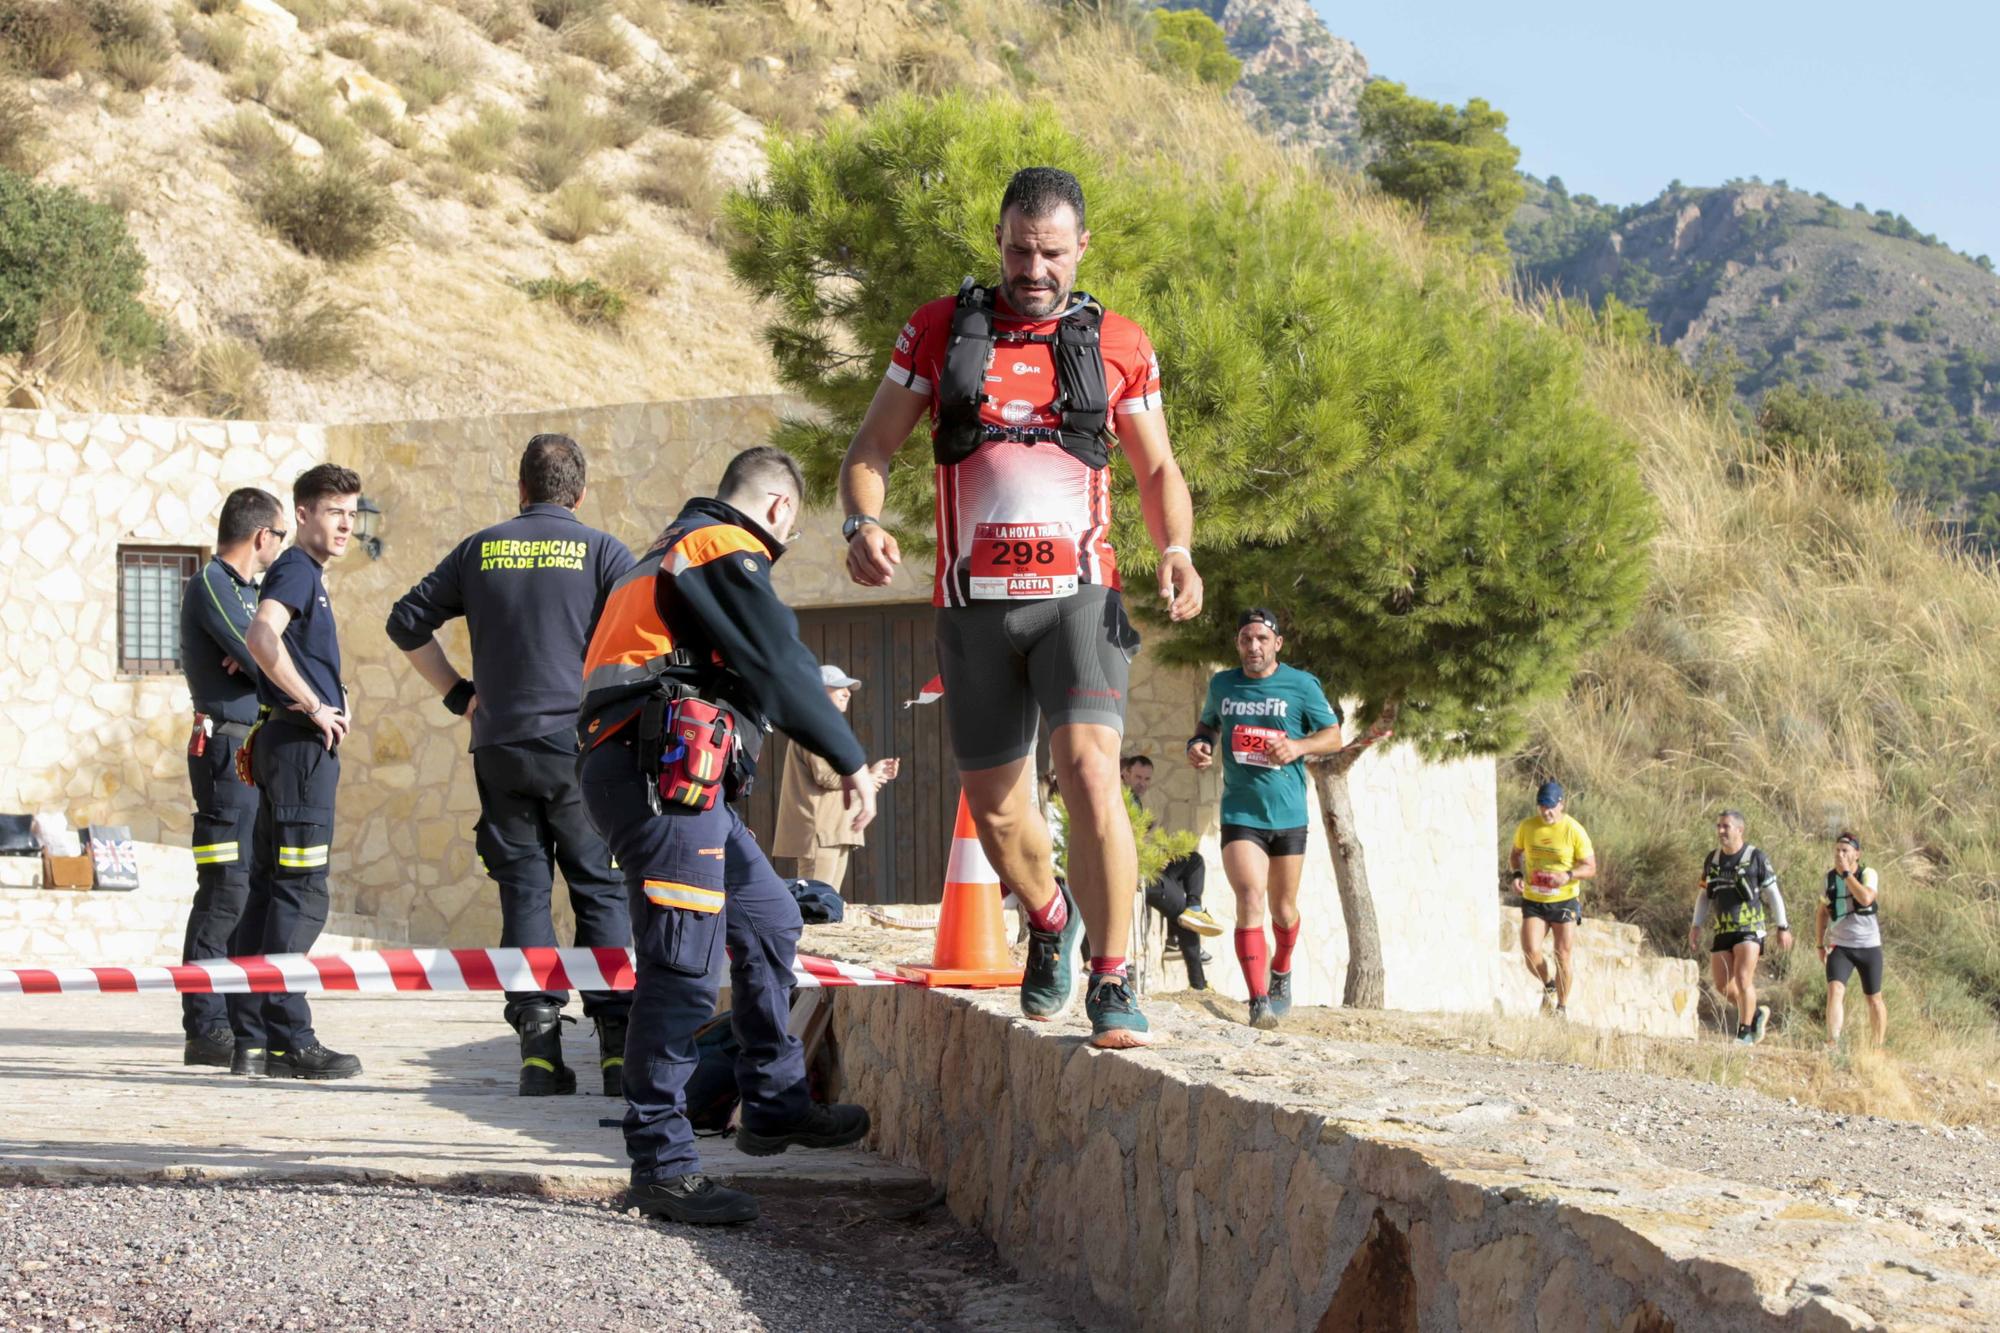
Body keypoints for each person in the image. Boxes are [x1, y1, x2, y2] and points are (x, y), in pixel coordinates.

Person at [839, 166, 1203, 1048]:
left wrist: (1176, 548)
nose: (1032, 268)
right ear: (997, 241)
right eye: (1017, 250)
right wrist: (862, 521)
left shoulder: (1119, 342)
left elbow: (1155, 469)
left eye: (1050, 252)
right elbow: (871, 446)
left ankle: (1114, 976)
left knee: (1087, 771)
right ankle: (1049, 919)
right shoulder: (937, 329)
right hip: (973, 609)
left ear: (1082, 247)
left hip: (1082, 599)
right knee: (999, 809)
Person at [577, 446, 876, 1226]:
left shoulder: (669, 551)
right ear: (778, 509)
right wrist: (850, 759)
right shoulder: (717, 547)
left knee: (771, 917)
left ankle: (774, 1102)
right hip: (659, 774)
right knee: (682, 965)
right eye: (791, 533)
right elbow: (781, 662)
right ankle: (663, 1165)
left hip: (674, 773)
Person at [384, 435, 637, 1098]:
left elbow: (406, 620)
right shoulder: (604, 551)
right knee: (600, 889)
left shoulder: (480, 548)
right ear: (578, 494)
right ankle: (617, 1052)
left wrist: (458, 693)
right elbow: (647, 635)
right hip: (581, 745)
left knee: (523, 892)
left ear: (521, 489)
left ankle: (539, 1053)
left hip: (499, 747)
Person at [230, 465, 366, 1081]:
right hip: (298, 753)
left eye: (352, 513)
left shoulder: (307, 576)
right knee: (301, 895)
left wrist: (324, 691)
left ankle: (252, 1037)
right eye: (334, 511)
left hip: (286, 751)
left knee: (267, 893)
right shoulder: (295, 570)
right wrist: (313, 704)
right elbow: (262, 636)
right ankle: (292, 1041)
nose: (346, 524)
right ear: (302, 514)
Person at [1187, 609, 1344, 1029]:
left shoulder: (1301, 684)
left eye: (1260, 638)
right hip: (1241, 811)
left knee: (1284, 909)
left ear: (1277, 643)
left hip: (1289, 813)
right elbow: (1208, 724)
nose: (1252, 647)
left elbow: (1334, 737)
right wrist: (1200, 744)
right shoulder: (1223, 684)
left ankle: (1281, 971)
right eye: (1244, 639)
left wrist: (1298, 746)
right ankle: (1258, 1001)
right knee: (1250, 898)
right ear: (1237, 644)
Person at [176, 487, 288, 1068]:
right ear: (261, 536)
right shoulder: (213, 585)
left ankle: (242, 1018)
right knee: (225, 891)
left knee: (250, 893)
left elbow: (269, 653)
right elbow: (261, 655)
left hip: (253, 753)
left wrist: (259, 658)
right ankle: (206, 1027)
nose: (280, 546)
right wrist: (256, 659)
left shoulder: (252, 595)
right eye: (281, 536)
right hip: (224, 755)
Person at [772, 665, 900, 893]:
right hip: (822, 834)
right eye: (839, 687)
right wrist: (868, 778)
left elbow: (838, 781)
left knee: (825, 905)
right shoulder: (813, 727)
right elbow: (828, 778)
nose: (847, 693)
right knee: (815, 906)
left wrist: (872, 777)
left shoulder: (822, 727)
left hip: (835, 831)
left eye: (849, 689)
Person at [1688, 809, 1793, 1045]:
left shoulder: (1756, 857)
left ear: (1739, 830)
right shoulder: (1712, 859)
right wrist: (1696, 925)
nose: (1721, 831)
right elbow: (1704, 895)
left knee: (1743, 978)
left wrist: (1782, 926)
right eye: (1719, 826)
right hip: (1722, 929)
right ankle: (1754, 1013)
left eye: (1726, 826)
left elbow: (1773, 893)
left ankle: (1744, 1032)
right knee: (1723, 985)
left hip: (1750, 927)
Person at [1121, 755, 1218, 991]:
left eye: (1147, 779)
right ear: (1125, 774)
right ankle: (1198, 984)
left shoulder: (1134, 799)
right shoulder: (1121, 799)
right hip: (1140, 876)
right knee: (1184, 915)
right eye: (1138, 777)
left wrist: (1158, 854)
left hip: (1149, 866)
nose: (1142, 783)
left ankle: (1191, 913)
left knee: (1192, 861)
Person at [1508, 780, 1597, 1019]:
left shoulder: (1574, 830)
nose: (1545, 812)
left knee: (1563, 953)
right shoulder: (1528, 827)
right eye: (1541, 806)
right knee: (1530, 951)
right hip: (1534, 898)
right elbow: (1515, 854)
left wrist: (1567, 875)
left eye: (1550, 806)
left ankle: (1561, 1008)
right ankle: (1548, 984)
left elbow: (1590, 868)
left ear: (1561, 804)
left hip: (1564, 899)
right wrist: (1517, 875)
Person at [1817, 830, 1886, 1050]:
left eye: (1845, 851)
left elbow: (1866, 898)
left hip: (1868, 946)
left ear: (1857, 854)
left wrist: (1847, 874)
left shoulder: (1868, 874)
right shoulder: (1828, 878)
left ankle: (1877, 1047)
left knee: (1873, 998)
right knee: (1835, 989)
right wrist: (1820, 943)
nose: (1840, 855)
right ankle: (1832, 1042)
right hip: (1841, 945)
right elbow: (1822, 912)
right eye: (1837, 850)